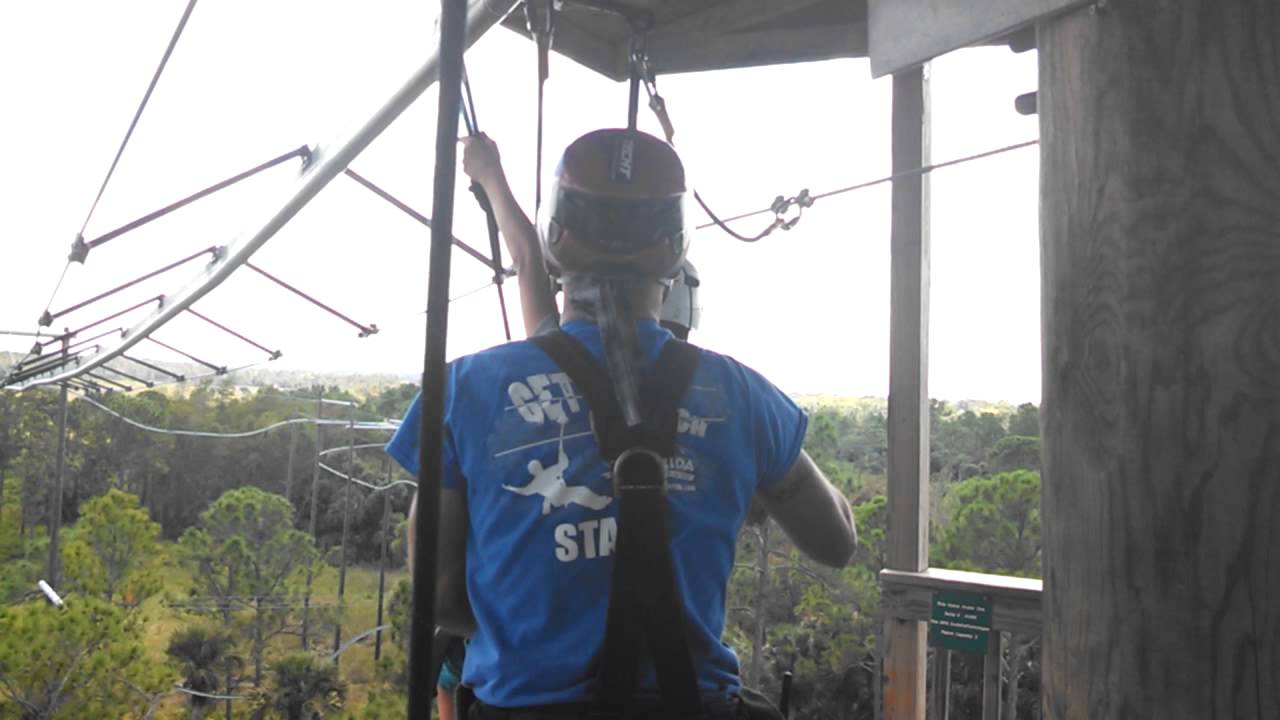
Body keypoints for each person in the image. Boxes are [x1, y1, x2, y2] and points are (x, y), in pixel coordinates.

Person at [390, 128, 856, 718]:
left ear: (559, 236)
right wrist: (742, 469)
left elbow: (440, 596)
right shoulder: (740, 396)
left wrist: (537, 625)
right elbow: (836, 541)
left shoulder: (467, 391)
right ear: (675, 247)